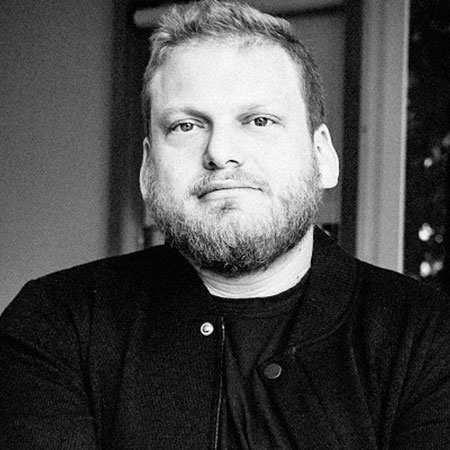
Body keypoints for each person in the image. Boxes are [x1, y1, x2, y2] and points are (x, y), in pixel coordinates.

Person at [1, 1, 450, 448]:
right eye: (186, 126)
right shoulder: (54, 324)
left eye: (259, 120)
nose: (220, 152)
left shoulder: (428, 338)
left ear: (323, 157)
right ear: (147, 169)